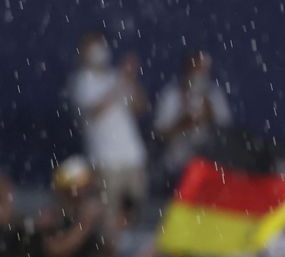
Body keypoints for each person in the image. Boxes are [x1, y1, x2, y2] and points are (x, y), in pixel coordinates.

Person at [68, 32, 148, 212]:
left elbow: (140, 108)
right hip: (105, 161)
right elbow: (94, 112)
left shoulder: (115, 77)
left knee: (134, 212)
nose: (99, 51)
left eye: (100, 46)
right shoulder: (81, 81)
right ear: (83, 52)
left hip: (133, 157)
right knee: (109, 214)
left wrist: (131, 80)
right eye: (93, 47)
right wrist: (120, 83)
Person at [153, 49, 231, 185]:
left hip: (207, 164)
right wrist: (183, 123)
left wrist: (209, 112)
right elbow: (159, 133)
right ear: (188, 68)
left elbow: (226, 128)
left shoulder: (214, 94)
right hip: (177, 165)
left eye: (203, 70)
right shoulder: (172, 94)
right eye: (196, 68)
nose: (199, 74)